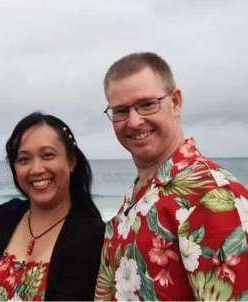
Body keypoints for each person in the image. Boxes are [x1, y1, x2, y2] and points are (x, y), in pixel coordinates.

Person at [94, 52, 248, 301]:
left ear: (176, 102)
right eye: (121, 111)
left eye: (147, 104)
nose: (134, 121)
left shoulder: (212, 194)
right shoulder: (138, 194)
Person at [0, 112, 106, 301]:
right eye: (24, 160)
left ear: (71, 161)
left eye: (47, 155)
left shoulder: (91, 235)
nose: (36, 169)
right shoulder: (3, 216)